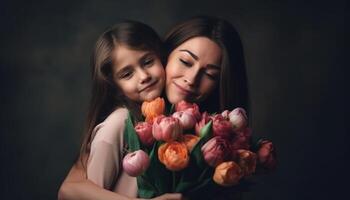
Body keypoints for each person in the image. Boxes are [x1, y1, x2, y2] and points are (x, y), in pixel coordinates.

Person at [58, 16, 249, 200]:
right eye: (185, 62)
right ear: (165, 54)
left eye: (210, 74)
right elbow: (70, 190)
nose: (191, 80)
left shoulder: (217, 139)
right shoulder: (122, 123)